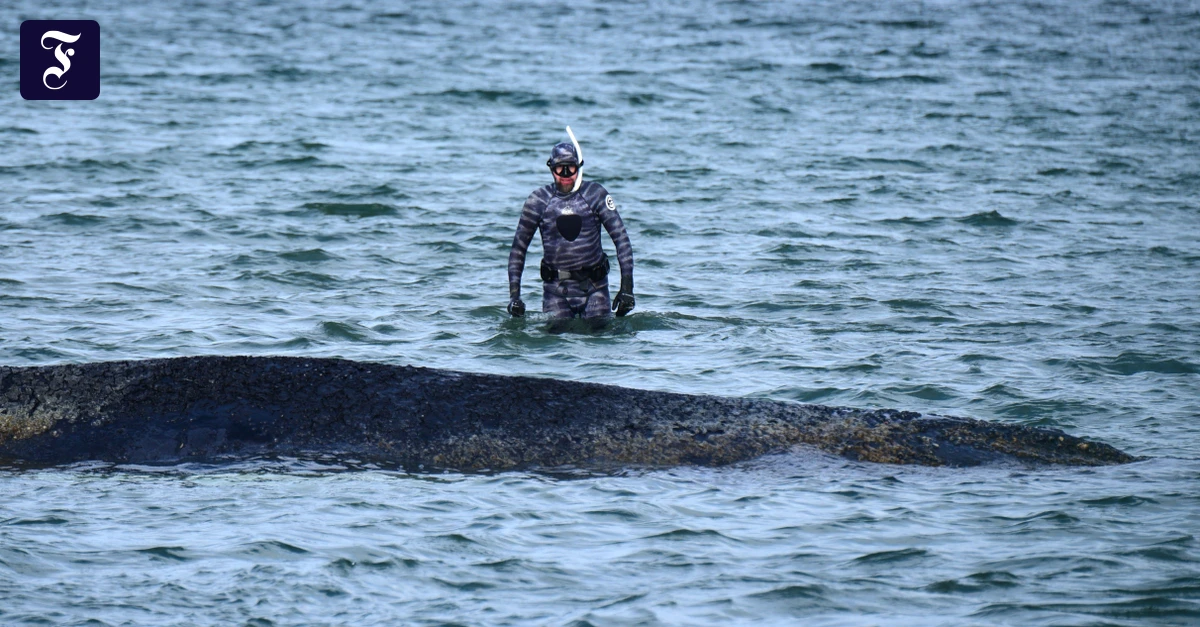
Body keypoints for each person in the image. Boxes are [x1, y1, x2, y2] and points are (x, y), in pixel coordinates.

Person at [506, 132, 634, 322]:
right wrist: (514, 297)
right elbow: (518, 250)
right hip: (555, 291)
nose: (566, 175)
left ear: (579, 168)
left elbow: (621, 240)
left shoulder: (595, 195)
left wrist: (627, 289)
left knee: (599, 339)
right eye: (560, 169)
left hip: (595, 288)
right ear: (551, 169)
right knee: (555, 344)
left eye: (570, 168)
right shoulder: (538, 201)